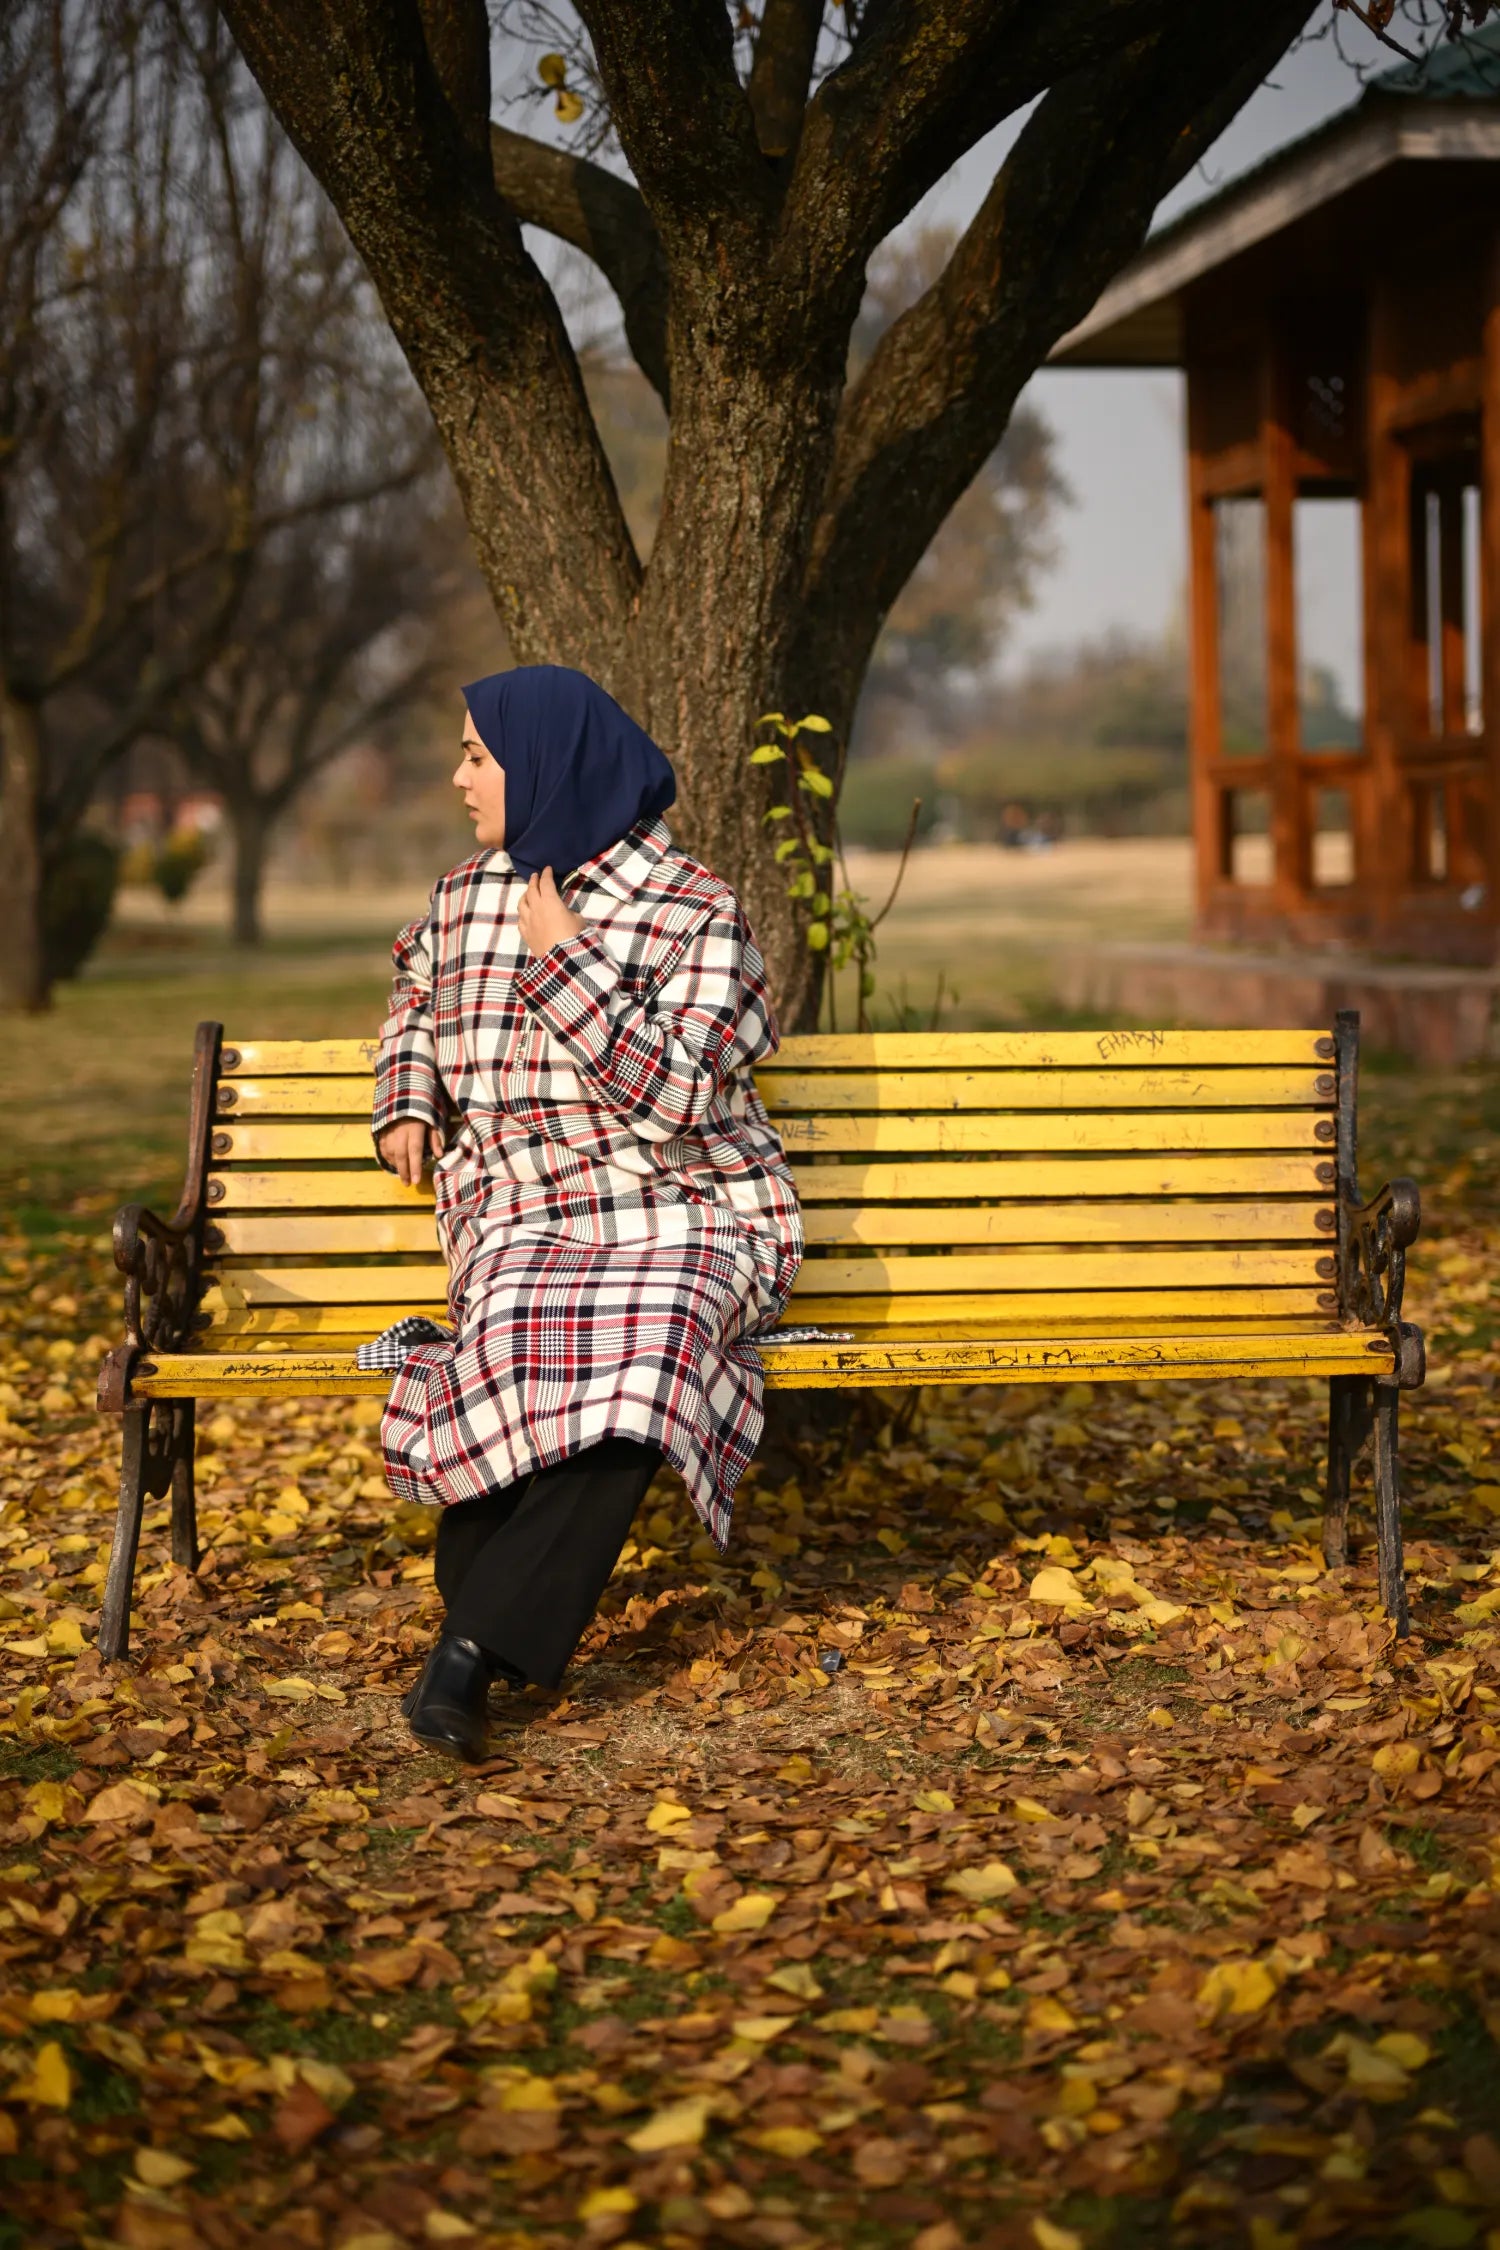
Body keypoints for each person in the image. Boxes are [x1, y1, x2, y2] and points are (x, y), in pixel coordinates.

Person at [367, 665, 803, 1762]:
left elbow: (680, 1100)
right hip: (525, 1210)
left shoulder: (695, 911)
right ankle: (490, 1614)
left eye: (478, 754)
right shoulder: (465, 895)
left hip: (686, 1206)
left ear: (548, 765)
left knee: (651, 1354)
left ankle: (468, 1652)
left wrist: (565, 960)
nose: (459, 775)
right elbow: (416, 996)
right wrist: (408, 1091)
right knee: (515, 1326)